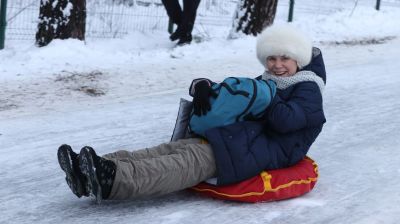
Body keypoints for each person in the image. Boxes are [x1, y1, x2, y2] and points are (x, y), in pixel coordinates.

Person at [57, 24, 326, 203]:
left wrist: (265, 97)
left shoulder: (308, 90)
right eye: (271, 59)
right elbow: (239, 96)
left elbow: (286, 120)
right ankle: (89, 167)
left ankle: (111, 179)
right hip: (235, 139)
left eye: (284, 59)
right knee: (164, 151)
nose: (277, 65)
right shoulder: (269, 81)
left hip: (258, 151)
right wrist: (205, 87)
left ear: (298, 60)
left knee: (182, 163)